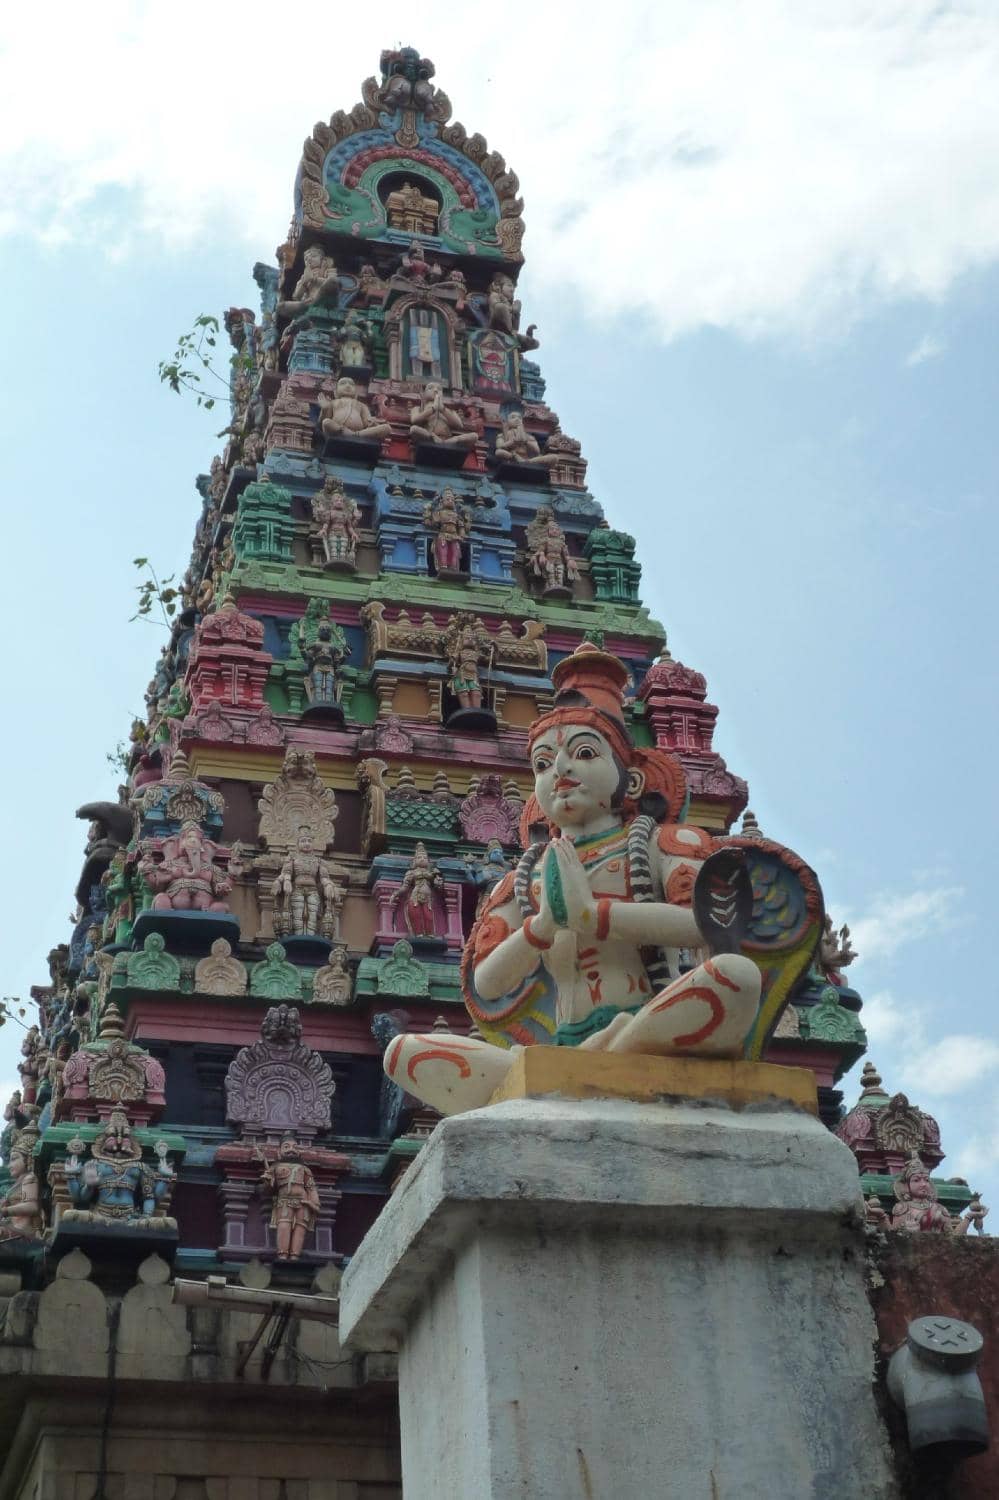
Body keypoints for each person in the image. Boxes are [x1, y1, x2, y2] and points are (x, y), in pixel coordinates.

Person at [383, 643, 762, 1115]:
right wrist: (542, 926)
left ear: (633, 780)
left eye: (583, 754)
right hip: (562, 1036)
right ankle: (587, 1064)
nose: (560, 770)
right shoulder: (530, 872)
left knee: (736, 977)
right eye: (543, 764)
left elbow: (709, 923)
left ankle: (575, 1070)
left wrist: (593, 915)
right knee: (403, 1053)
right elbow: (487, 982)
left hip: (645, 1018)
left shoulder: (662, 841)